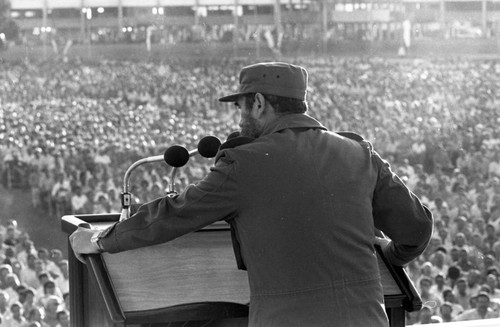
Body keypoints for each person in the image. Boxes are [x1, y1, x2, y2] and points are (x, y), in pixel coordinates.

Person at [69, 62, 433, 326]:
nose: (239, 117)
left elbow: (174, 214)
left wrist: (101, 239)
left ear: (259, 103)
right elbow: (416, 229)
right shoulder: (357, 152)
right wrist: (392, 252)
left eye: (241, 106)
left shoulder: (245, 164)